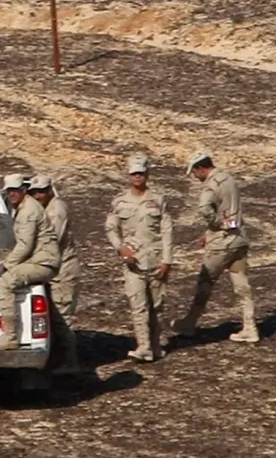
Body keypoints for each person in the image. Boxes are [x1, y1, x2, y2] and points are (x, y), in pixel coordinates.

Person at [174, 150, 257, 343]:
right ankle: (250, 326)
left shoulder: (211, 185)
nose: (195, 177)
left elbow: (204, 209)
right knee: (242, 286)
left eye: (195, 173)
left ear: (201, 168)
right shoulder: (228, 178)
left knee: (205, 281)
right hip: (239, 240)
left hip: (221, 244)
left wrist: (215, 225)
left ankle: (189, 323)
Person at [105, 154, 173, 362]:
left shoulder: (158, 201)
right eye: (134, 174)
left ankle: (154, 345)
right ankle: (143, 346)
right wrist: (120, 248)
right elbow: (111, 228)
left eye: (141, 174)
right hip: (133, 263)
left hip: (155, 260)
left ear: (147, 175)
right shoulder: (119, 202)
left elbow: (167, 231)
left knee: (157, 306)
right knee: (138, 305)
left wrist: (167, 260)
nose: (138, 177)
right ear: (129, 175)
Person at [0, 175, 61, 350]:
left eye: (15, 191)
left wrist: (4, 265)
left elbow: (25, 246)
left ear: (23, 190)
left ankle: (11, 336)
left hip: (43, 261)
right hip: (36, 259)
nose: (12, 194)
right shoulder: (20, 208)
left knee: (5, 283)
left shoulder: (28, 211)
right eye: (9, 191)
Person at [29, 176, 82, 374]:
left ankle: (70, 362)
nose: (38, 195)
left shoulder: (56, 210)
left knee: (63, 317)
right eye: (34, 192)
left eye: (41, 191)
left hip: (63, 270)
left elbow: (53, 240)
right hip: (52, 269)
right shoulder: (42, 209)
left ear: (49, 190)